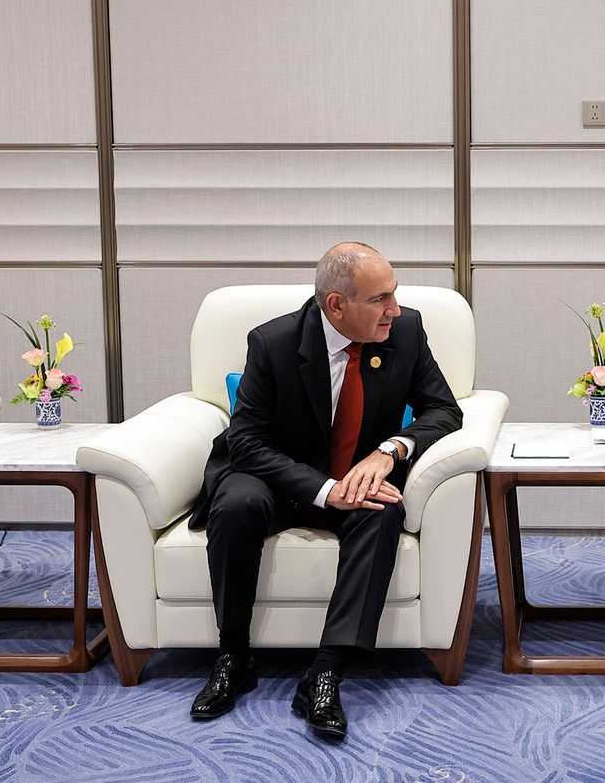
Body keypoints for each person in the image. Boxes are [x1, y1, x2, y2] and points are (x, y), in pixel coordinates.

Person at [186, 242, 462, 740]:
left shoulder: (405, 332)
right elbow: (246, 442)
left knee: (382, 509)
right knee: (237, 503)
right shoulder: (273, 342)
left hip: (355, 473)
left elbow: (443, 410)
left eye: (393, 294)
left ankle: (327, 670)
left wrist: (390, 451)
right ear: (336, 304)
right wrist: (323, 489)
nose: (394, 310)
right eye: (380, 299)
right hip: (275, 476)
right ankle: (233, 656)